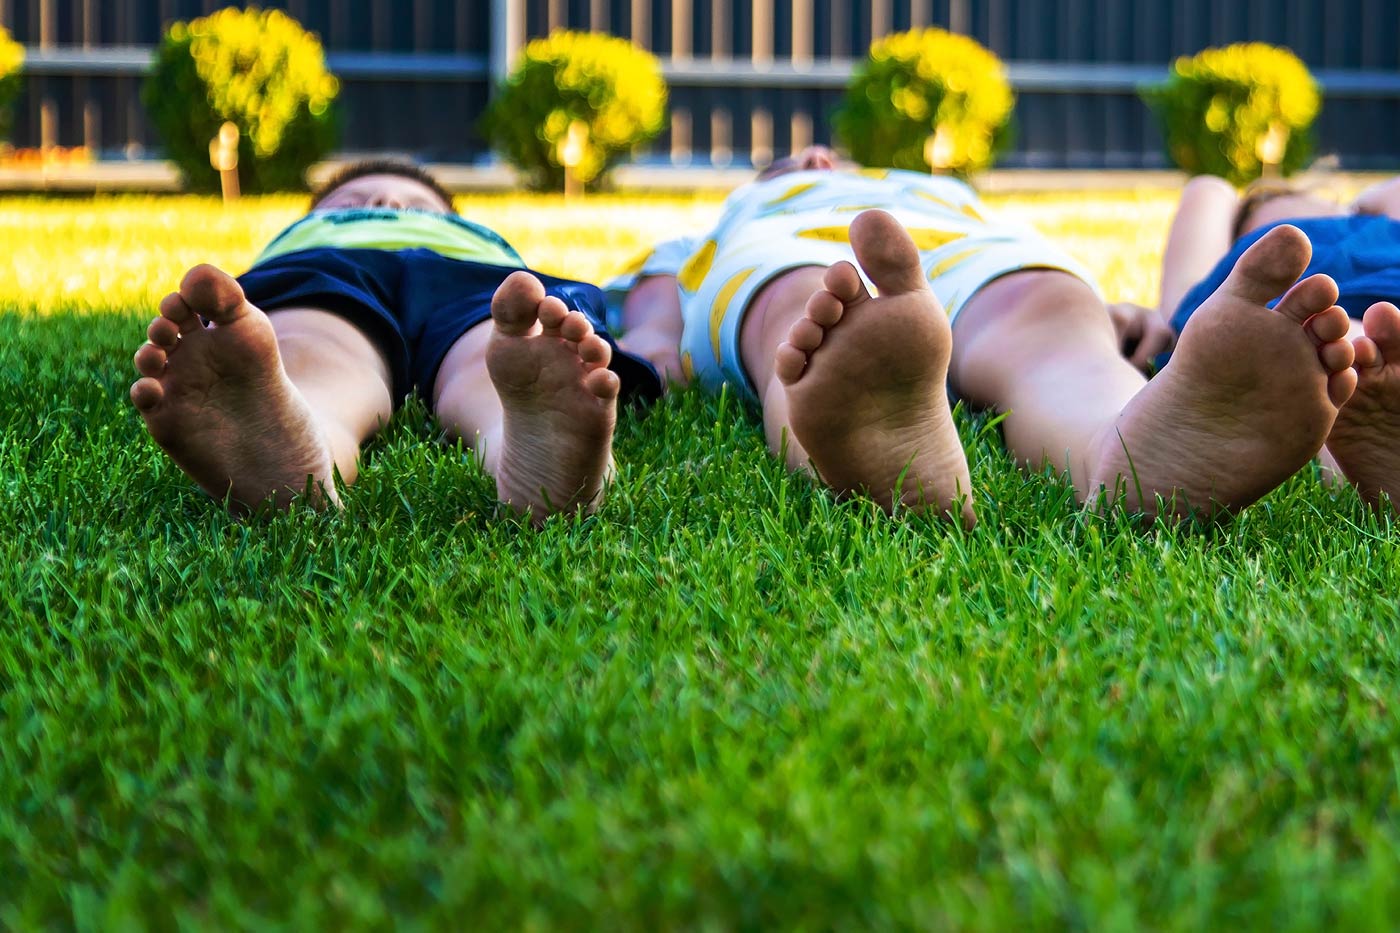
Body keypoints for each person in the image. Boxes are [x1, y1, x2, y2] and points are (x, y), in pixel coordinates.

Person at [611, 146, 1359, 526]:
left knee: (1048, 316)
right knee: (805, 312)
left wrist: (1105, 312)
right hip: (799, 250)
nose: (815, 158)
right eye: (782, 165)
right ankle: (864, 436)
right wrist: (646, 355)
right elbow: (652, 316)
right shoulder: (721, 226)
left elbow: (1023, 258)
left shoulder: (939, 192)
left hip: (972, 253)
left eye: (826, 157)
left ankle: (1127, 452)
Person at [130, 159, 661, 520]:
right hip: (329, 272)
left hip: (475, 281)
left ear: (453, 220)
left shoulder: (478, 242)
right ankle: (297, 437)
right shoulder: (307, 242)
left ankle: (524, 444)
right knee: (315, 348)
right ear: (310, 219)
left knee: (499, 351)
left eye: (416, 203)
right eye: (351, 201)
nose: (385, 199)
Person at [1153, 173, 1400, 510]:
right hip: (1292, 326)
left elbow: (1208, 189)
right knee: (1339, 367)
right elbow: (1206, 191)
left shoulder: (1378, 222)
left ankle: (1370, 471)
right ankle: (1380, 476)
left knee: (1337, 369)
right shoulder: (1234, 281)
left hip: (1346, 324)